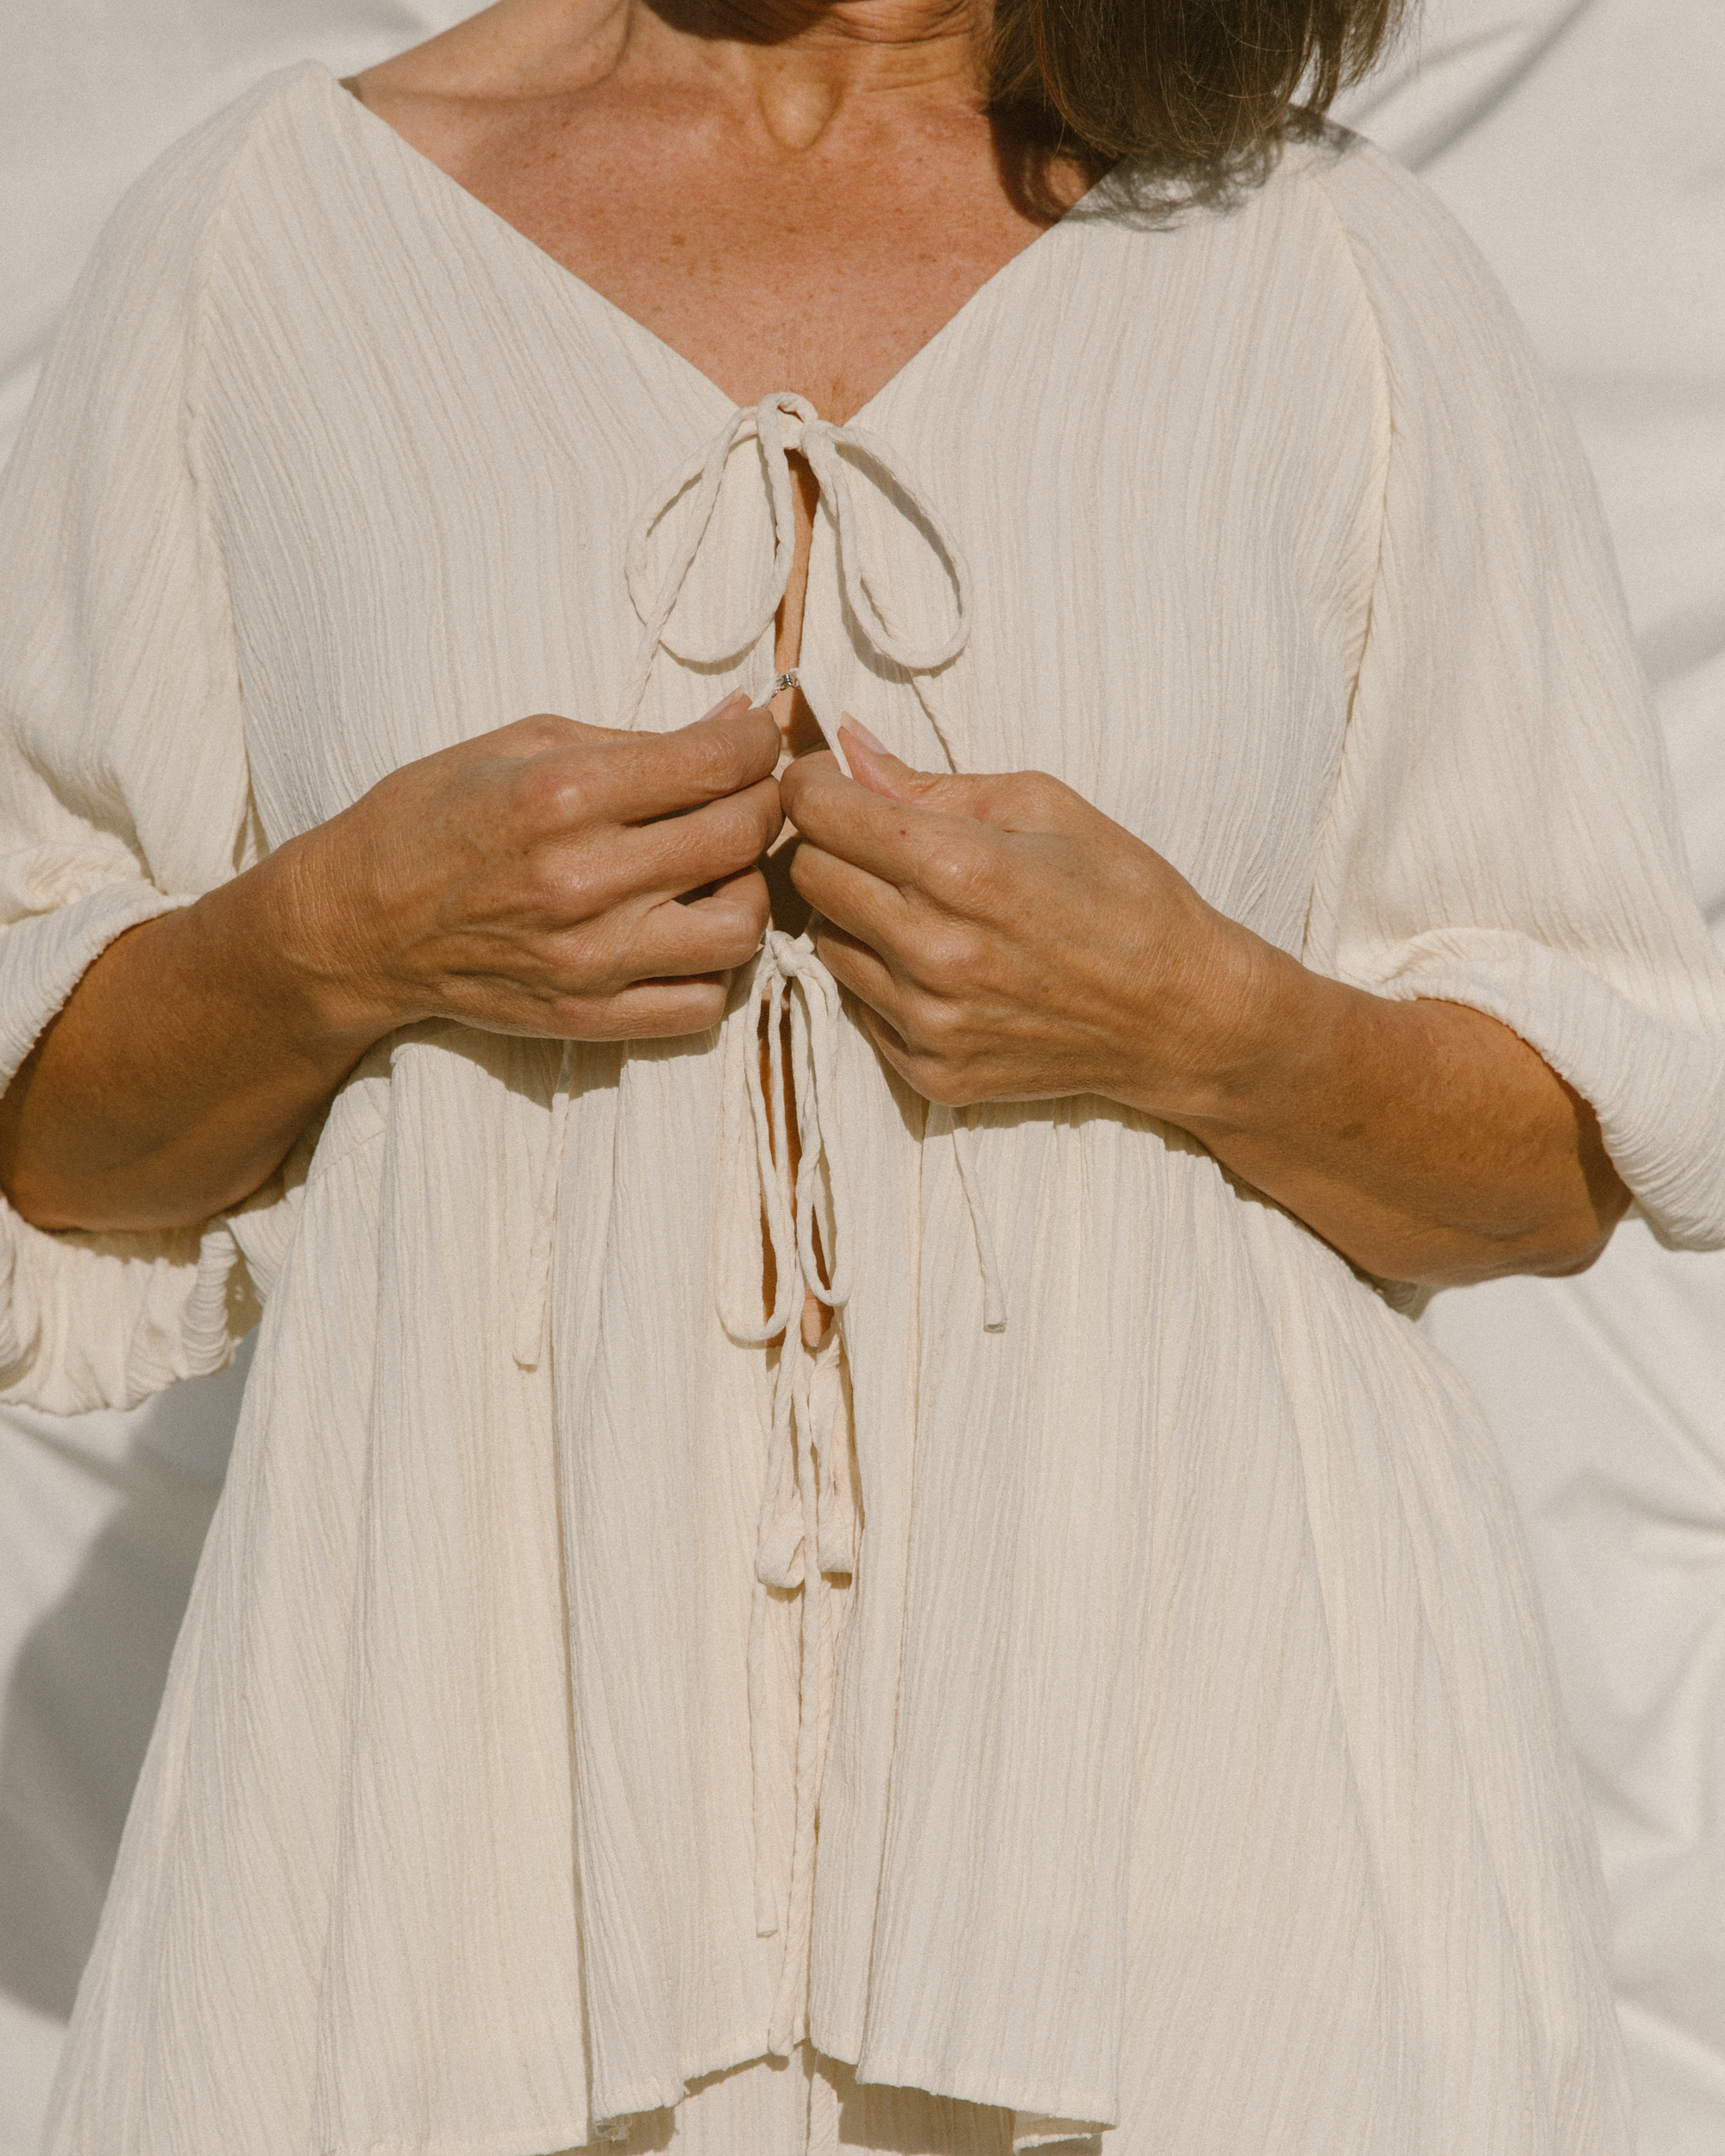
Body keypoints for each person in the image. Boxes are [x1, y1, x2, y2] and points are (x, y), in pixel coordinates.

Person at [1, 0, 1721, 2145]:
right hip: (467, 1889)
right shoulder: (268, 239)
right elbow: (64, 1148)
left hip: (1215, 1884)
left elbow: (1555, 1167)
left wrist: (1207, 1017)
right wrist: (329, 933)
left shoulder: (1327, 266)